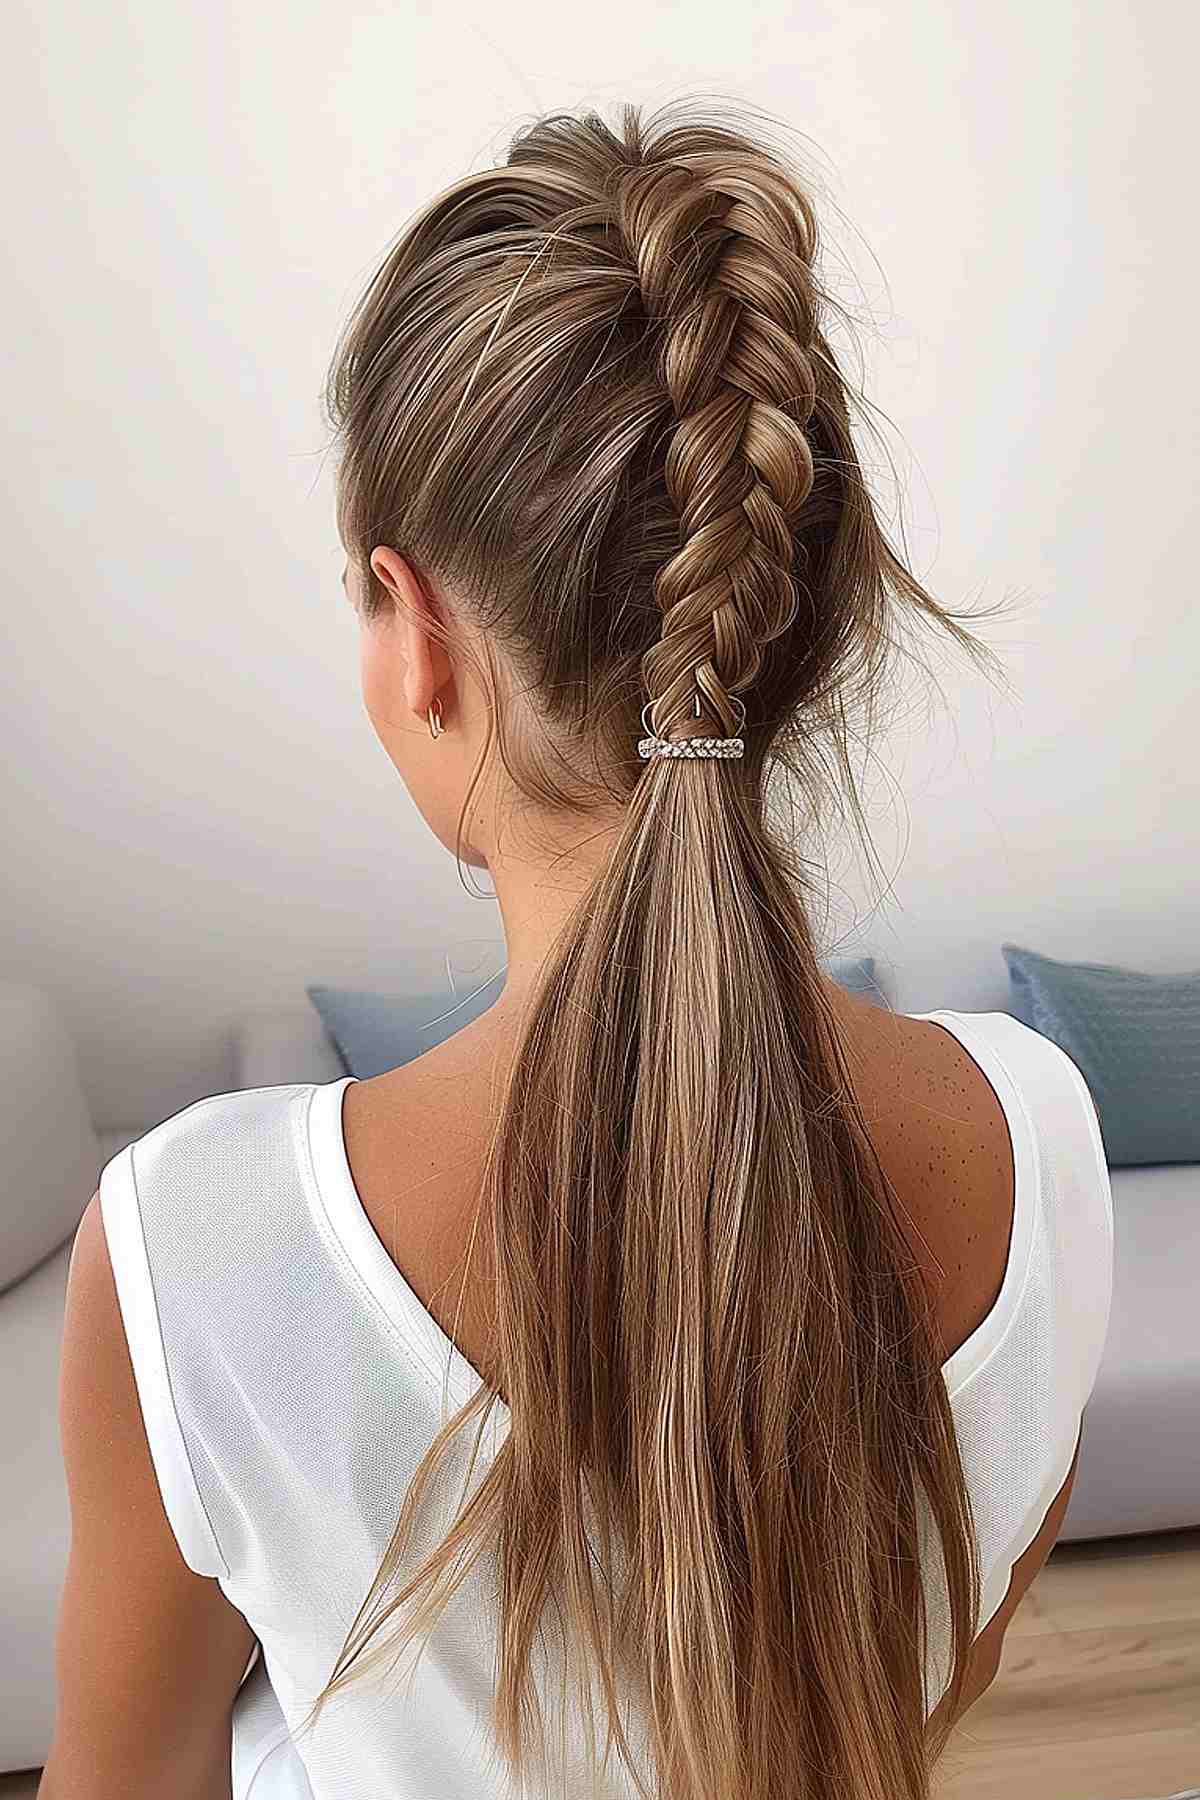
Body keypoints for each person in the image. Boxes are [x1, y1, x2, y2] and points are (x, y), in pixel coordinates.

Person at [43, 99, 1113, 1800]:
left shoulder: (193, 1249)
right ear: (794, 619)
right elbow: (926, 1682)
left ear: (426, 641)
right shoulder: (1045, 1141)